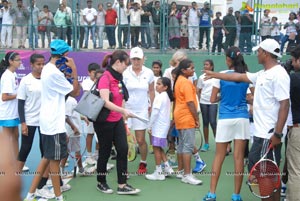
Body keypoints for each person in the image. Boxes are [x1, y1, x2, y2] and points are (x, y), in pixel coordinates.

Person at [204, 38, 290, 201]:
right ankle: (241, 195)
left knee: (266, 175)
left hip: (269, 135)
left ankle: (214, 193)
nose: (256, 54)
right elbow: (240, 77)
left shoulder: (279, 74)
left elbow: (285, 104)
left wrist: (277, 134)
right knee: (263, 173)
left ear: (266, 53)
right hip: (259, 131)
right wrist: (216, 74)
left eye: (258, 51)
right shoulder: (263, 74)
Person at [24, 40, 80, 201]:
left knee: (46, 158)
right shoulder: (54, 72)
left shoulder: (49, 69)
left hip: (49, 121)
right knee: (54, 162)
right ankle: (58, 196)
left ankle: (30, 194)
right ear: (64, 55)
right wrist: (74, 69)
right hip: (53, 123)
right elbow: (75, 91)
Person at [203, 47, 250, 201]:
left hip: (225, 119)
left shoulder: (220, 76)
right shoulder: (245, 76)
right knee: (238, 158)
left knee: (219, 156)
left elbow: (212, 99)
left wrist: (223, 97)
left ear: (228, 60)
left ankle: (211, 194)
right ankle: (236, 195)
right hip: (242, 119)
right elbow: (250, 97)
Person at [94, 50, 141, 194]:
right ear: (118, 62)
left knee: (123, 149)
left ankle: (122, 185)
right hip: (104, 122)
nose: (127, 67)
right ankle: (101, 182)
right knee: (105, 152)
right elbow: (105, 102)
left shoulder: (119, 78)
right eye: (126, 64)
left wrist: (124, 120)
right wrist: (123, 111)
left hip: (117, 120)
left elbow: (121, 101)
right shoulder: (105, 78)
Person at [123, 47, 155, 174]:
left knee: (141, 140)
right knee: (123, 141)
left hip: (141, 110)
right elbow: (121, 92)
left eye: (138, 59)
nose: (136, 61)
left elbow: (151, 91)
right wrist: (122, 110)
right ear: (130, 59)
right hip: (126, 110)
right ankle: (123, 165)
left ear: (143, 59)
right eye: (134, 59)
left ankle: (143, 162)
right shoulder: (124, 72)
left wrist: (152, 106)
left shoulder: (149, 73)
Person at [173, 58, 202, 185]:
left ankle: (181, 171)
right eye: (191, 68)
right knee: (188, 146)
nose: (193, 70)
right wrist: (197, 118)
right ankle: (187, 174)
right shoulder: (185, 82)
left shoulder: (179, 80)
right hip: (186, 117)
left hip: (180, 116)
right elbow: (190, 103)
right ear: (184, 70)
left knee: (182, 145)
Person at [146, 77, 175, 180]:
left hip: (159, 127)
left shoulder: (159, 97)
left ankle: (158, 173)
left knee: (155, 147)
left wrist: (150, 125)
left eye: (159, 84)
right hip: (163, 126)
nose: (156, 85)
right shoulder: (166, 96)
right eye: (156, 83)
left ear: (165, 87)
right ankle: (167, 167)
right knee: (158, 147)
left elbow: (155, 113)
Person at [0, 52, 21, 158]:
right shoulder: (7, 76)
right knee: (7, 139)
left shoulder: (14, 74)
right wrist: (19, 95)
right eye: (17, 60)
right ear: (10, 61)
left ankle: (17, 161)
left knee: (16, 136)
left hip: (14, 112)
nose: (20, 62)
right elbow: (4, 97)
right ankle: (6, 163)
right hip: (7, 112)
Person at [286, 44, 300, 200]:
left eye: (293, 60)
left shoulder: (293, 78)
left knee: (296, 171)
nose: (292, 63)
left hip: (298, 128)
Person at [81, 63, 100, 165]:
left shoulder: (101, 82)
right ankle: (88, 155)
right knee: (90, 133)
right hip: (89, 112)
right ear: (89, 73)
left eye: (97, 73)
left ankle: (96, 154)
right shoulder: (86, 82)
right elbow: (88, 96)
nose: (95, 75)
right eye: (93, 73)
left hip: (100, 112)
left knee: (99, 134)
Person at [197, 59, 217, 152]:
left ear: (211, 66)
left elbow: (219, 89)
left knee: (213, 122)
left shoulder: (217, 77)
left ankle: (218, 143)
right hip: (203, 102)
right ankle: (206, 144)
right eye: (204, 64)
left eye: (207, 64)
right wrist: (199, 100)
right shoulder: (201, 77)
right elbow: (199, 91)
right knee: (205, 122)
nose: (205, 66)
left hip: (213, 102)